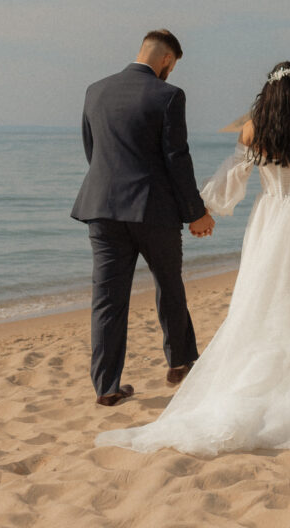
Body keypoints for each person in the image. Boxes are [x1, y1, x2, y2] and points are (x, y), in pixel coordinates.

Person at [96, 61, 290, 455]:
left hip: (269, 217)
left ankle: (272, 383)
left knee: (264, 302)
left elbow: (233, 176)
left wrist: (207, 210)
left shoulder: (253, 127)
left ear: (268, 91)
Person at [71, 29, 215, 406]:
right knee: (168, 285)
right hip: (154, 209)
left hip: (102, 208)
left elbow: (93, 150)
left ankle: (106, 388)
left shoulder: (95, 90)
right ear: (167, 59)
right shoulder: (168, 95)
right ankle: (180, 363)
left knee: (106, 299)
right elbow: (176, 158)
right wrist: (196, 212)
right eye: (174, 65)